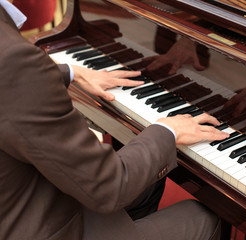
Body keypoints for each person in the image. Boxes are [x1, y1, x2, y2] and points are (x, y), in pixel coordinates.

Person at [0, 1, 230, 240]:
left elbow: (10, 84)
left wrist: (72, 71)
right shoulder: (12, 59)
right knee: (201, 215)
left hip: (18, 199)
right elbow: (109, 187)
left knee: (149, 180)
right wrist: (167, 130)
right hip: (32, 226)